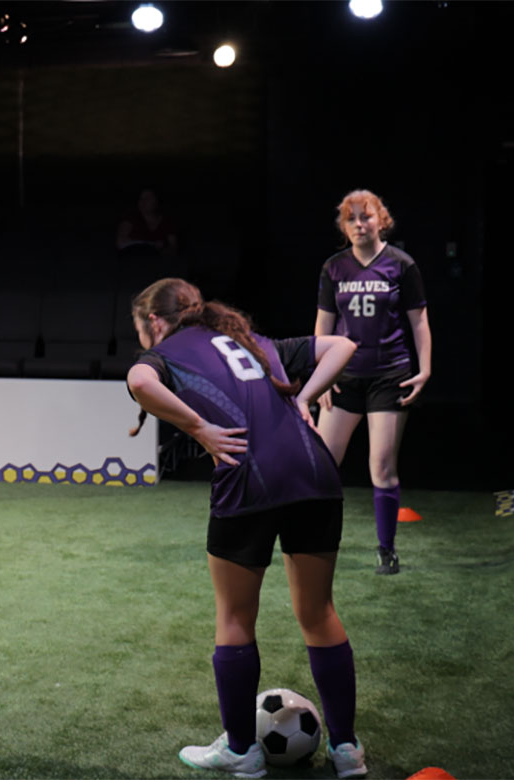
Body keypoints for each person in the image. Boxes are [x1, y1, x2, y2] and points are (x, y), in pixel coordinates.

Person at [125, 277, 366, 779]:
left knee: (235, 617)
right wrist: (305, 398)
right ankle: (347, 751)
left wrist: (198, 428)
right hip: (314, 473)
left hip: (248, 479)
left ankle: (241, 750)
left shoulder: (166, 353)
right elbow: (343, 345)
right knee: (319, 612)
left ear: (154, 321)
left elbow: (140, 382)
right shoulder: (251, 341)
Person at [315, 190, 431, 576]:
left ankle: (386, 549)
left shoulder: (401, 265)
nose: (359, 225)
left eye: (366, 217)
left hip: (388, 376)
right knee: (321, 465)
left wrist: (425, 368)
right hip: (344, 376)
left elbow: (419, 321)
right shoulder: (334, 268)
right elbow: (323, 326)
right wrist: (320, 377)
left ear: (382, 220)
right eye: (351, 219)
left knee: (381, 466)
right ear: (343, 226)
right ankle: (316, 542)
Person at [116, 188, 177, 258]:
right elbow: (120, 242)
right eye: (141, 199)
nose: (143, 201)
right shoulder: (130, 219)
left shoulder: (167, 221)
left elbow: (173, 247)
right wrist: (151, 245)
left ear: (157, 201)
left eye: (148, 198)